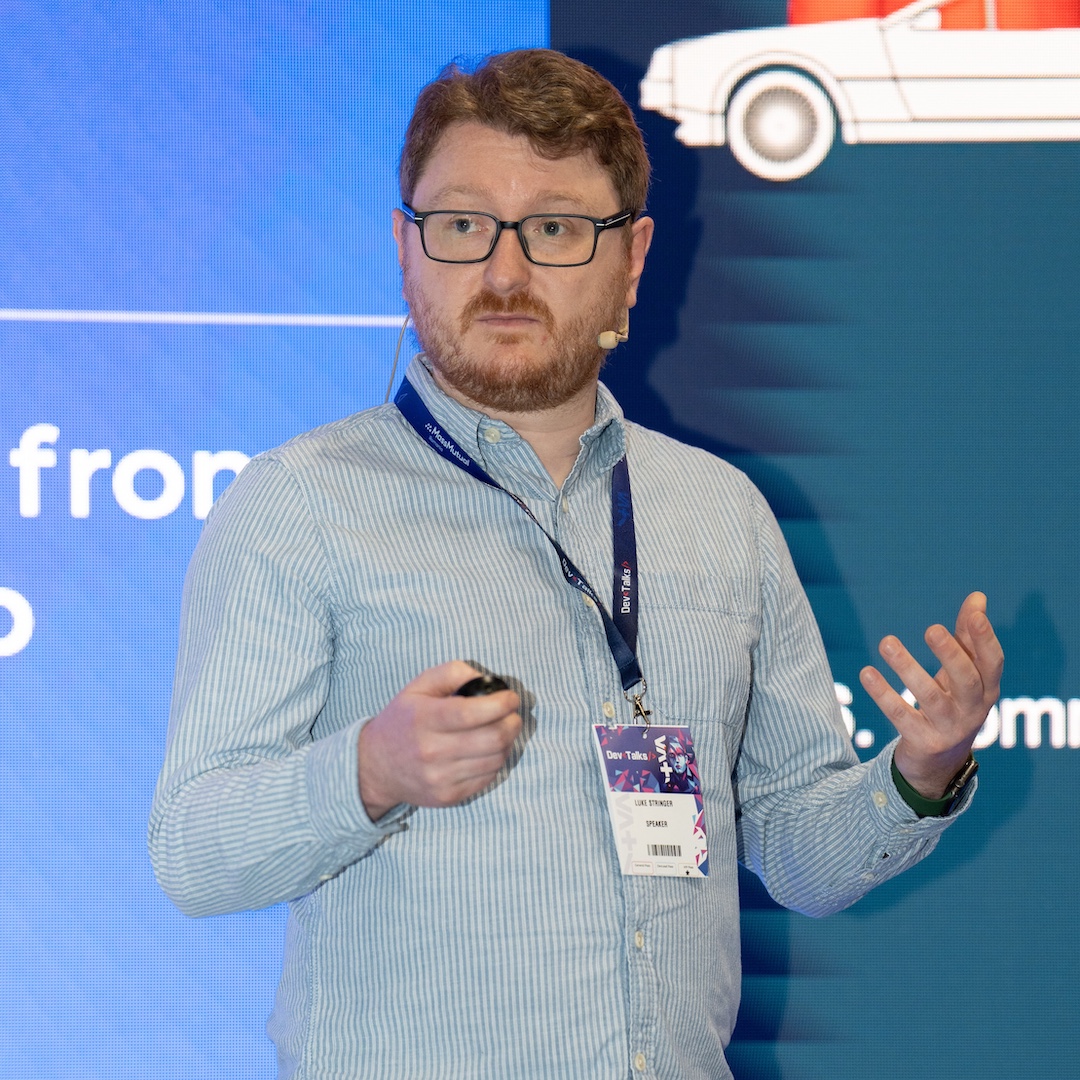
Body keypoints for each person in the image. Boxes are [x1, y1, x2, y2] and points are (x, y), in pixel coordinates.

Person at [149, 49, 1003, 1079]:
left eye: (554, 230)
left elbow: (798, 855)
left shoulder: (721, 512)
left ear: (632, 257)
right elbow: (194, 852)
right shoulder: (302, 502)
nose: (504, 273)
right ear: (406, 245)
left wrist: (918, 773)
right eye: (462, 226)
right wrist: (369, 769)